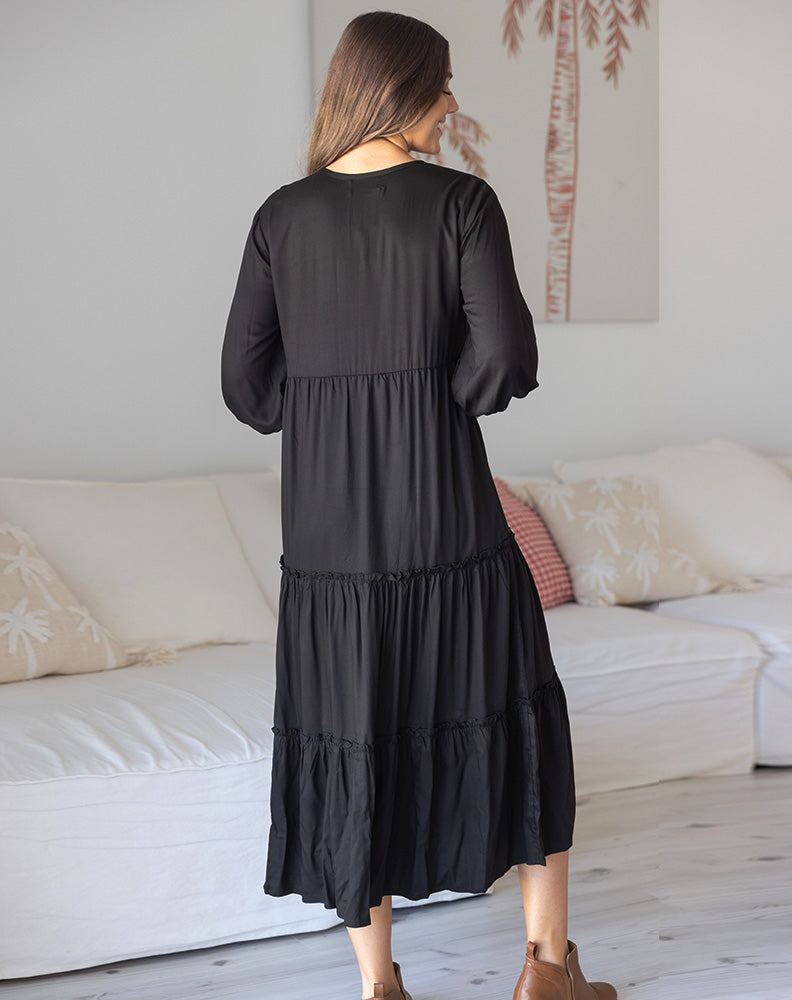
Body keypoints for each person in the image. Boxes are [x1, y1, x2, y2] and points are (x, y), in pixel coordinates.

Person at [221, 11, 617, 1000]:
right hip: (451, 523)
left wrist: (329, 407)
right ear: (404, 90)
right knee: (518, 723)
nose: (451, 101)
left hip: (328, 546)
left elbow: (246, 387)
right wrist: (435, 400)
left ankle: (379, 986)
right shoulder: (459, 203)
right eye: (443, 84)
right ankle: (546, 971)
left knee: (354, 744)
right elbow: (505, 359)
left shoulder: (282, 216)